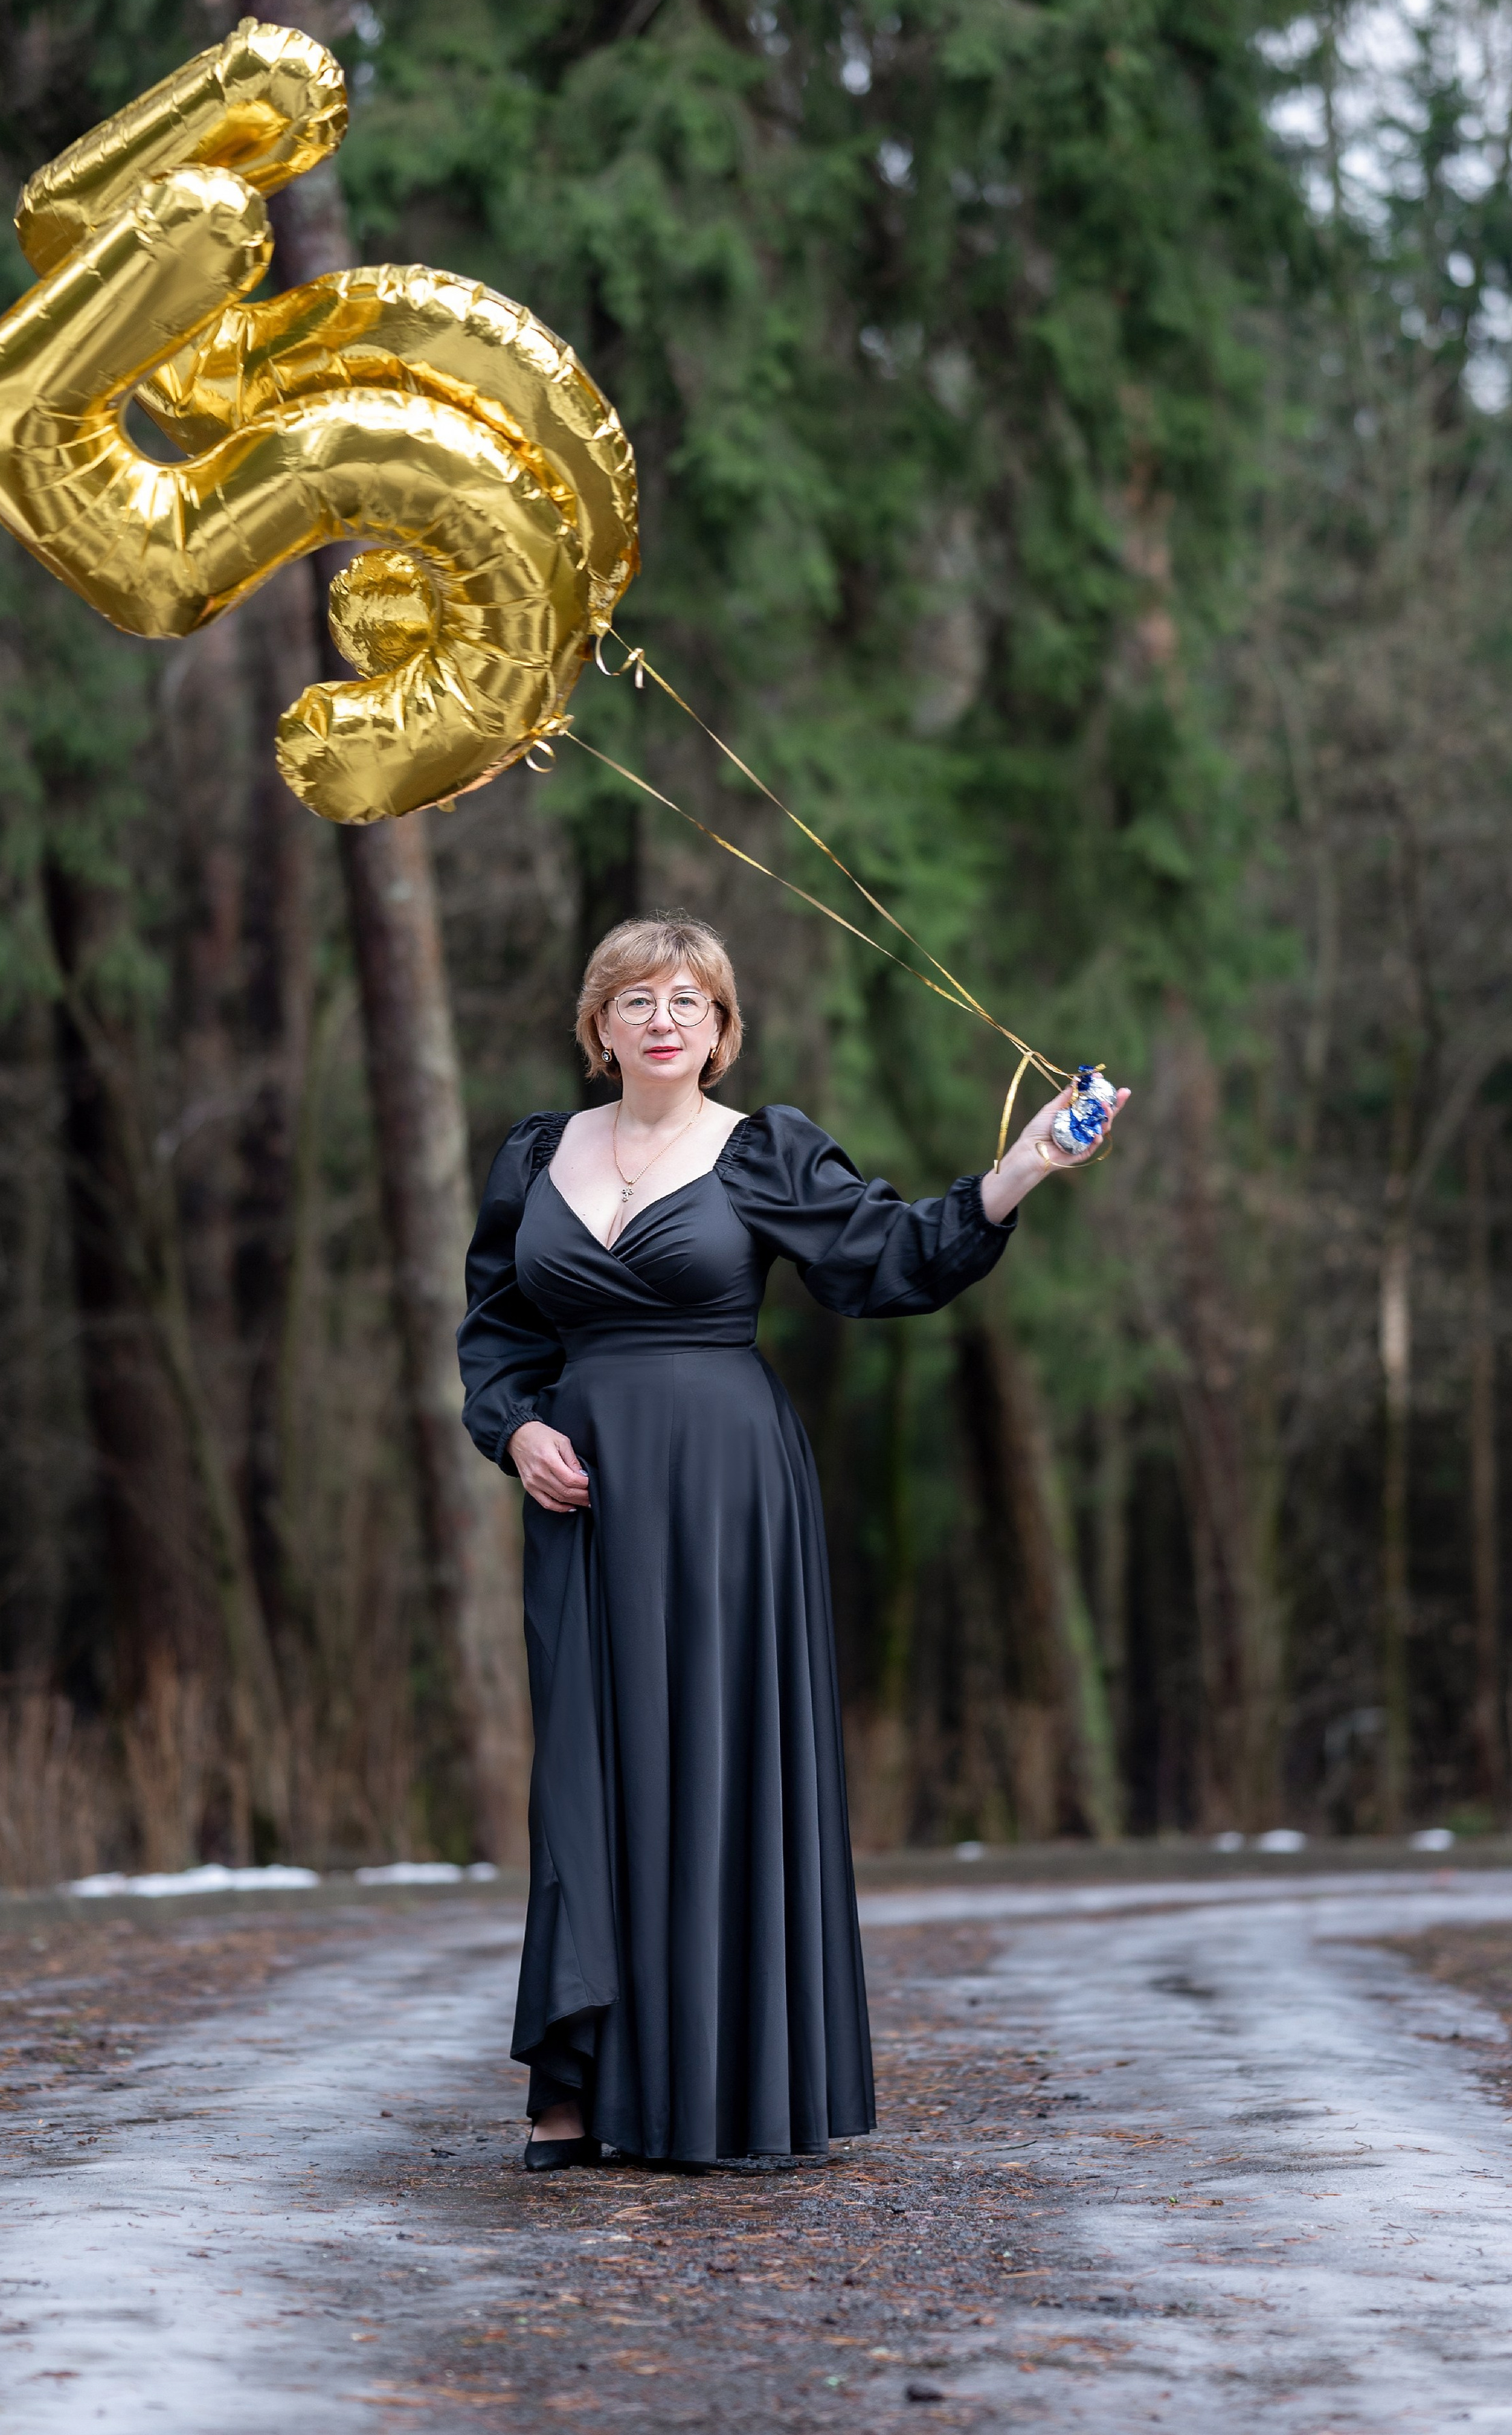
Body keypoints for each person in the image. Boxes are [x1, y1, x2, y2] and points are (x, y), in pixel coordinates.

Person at [457, 915, 1126, 2172]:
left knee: (716, 1758)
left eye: (692, 1001)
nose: (666, 1018)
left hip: (726, 1496)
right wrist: (515, 1434)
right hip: (585, 1498)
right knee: (588, 1775)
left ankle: (713, 2089)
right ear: (598, 1026)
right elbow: (495, 1333)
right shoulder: (534, 1156)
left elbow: (896, 1257)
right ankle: (581, 2075)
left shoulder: (761, 1154)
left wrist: (1027, 1163)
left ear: (721, 1032)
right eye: (639, 998)